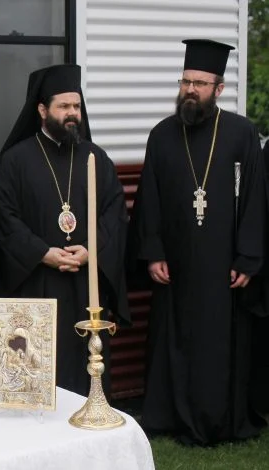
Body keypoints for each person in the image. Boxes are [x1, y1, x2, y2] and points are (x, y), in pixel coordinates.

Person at [129, 39, 266, 446]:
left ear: (218, 89)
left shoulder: (242, 133)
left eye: (200, 83)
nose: (190, 90)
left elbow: (256, 198)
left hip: (224, 266)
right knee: (175, 340)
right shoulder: (162, 135)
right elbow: (148, 197)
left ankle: (221, 417)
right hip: (176, 263)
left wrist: (248, 256)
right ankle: (170, 414)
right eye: (186, 81)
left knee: (219, 345)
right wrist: (152, 252)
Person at [0, 64, 129, 396]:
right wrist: (42, 252)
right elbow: (4, 219)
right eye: (64, 106)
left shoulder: (96, 158)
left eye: (76, 106)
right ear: (42, 110)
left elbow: (115, 213)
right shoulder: (15, 161)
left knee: (85, 369)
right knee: (37, 372)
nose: (72, 114)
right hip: (36, 281)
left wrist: (92, 248)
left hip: (85, 284)